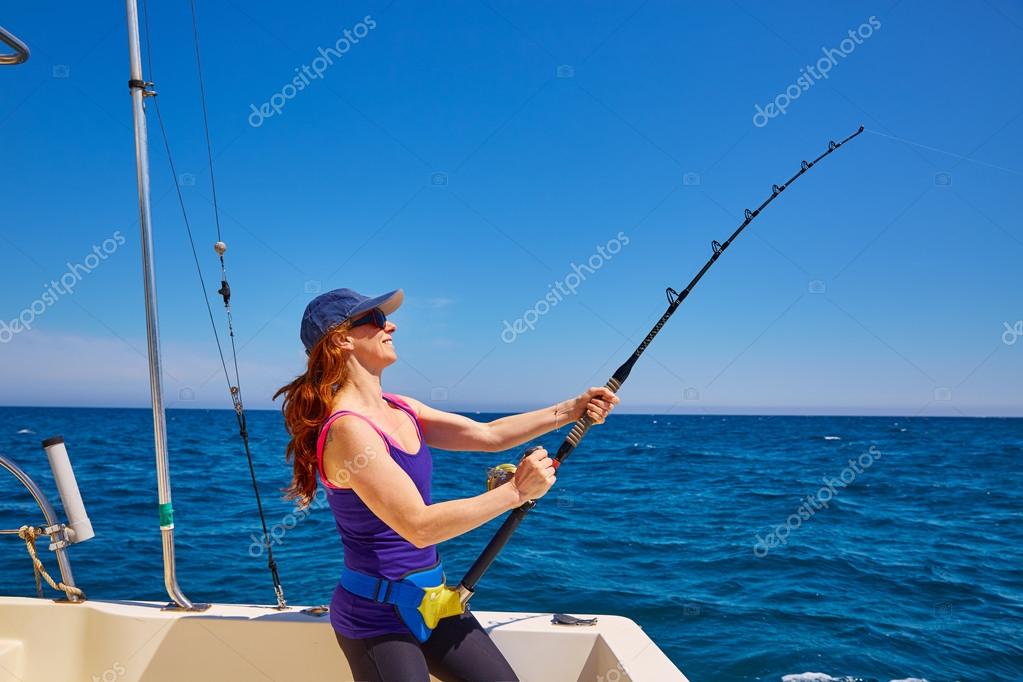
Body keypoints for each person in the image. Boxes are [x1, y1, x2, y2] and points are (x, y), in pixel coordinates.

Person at [273, 287, 619, 682]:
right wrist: (516, 492)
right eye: (377, 319)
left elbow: (488, 435)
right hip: (375, 618)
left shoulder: (401, 407)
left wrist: (570, 409)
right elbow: (418, 526)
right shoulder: (349, 430)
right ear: (341, 338)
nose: (392, 325)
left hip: (434, 603)